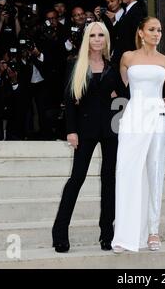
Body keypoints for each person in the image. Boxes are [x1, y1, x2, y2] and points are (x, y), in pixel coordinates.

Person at [111, 17, 165, 253]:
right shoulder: (127, 58)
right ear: (141, 32)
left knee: (155, 172)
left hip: (158, 117)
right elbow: (120, 88)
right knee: (126, 171)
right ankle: (123, 233)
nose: (157, 33)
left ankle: (153, 230)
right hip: (133, 116)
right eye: (152, 29)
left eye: (160, 30)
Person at [52, 22, 127, 253]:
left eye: (100, 35)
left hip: (111, 129)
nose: (96, 39)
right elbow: (70, 100)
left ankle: (107, 233)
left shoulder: (112, 66)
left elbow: (124, 96)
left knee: (109, 179)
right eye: (93, 35)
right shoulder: (76, 65)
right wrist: (71, 130)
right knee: (77, 178)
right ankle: (60, 233)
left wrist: (117, 95)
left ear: (106, 39)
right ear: (87, 39)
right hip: (84, 129)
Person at [109, 0, 147, 65]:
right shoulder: (127, 10)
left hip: (130, 59)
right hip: (122, 58)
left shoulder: (137, 11)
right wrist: (114, 20)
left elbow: (137, 36)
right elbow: (121, 31)